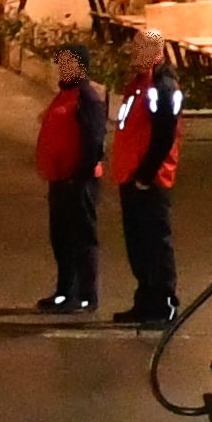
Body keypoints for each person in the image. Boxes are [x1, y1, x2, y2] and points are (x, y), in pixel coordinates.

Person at [109, 29, 186, 328]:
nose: (134, 54)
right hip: (132, 178)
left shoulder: (162, 86)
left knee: (155, 243)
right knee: (139, 245)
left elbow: (164, 134)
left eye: (141, 49)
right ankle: (145, 300)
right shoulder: (140, 85)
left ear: (156, 53)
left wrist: (145, 173)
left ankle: (164, 303)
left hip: (150, 181)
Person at [35, 44, 106, 313]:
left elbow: (94, 140)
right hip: (61, 181)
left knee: (81, 239)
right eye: (61, 62)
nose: (63, 67)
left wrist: (79, 176)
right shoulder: (65, 94)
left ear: (81, 66)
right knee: (62, 239)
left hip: (78, 182)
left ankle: (86, 296)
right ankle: (65, 291)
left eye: (68, 62)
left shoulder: (87, 98)